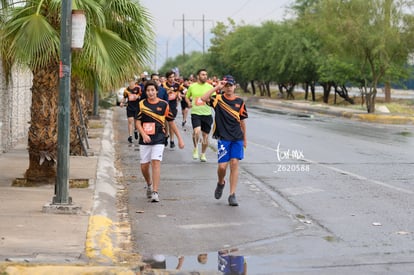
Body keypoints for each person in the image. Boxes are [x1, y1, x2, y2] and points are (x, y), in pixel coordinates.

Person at [201, 75, 248, 206]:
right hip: (223, 138)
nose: (228, 88)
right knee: (222, 167)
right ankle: (221, 182)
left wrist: (245, 138)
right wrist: (217, 87)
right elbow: (203, 98)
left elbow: (242, 120)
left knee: (234, 163)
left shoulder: (240, 101)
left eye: (230, 85)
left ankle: (232, 194)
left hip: (237, 138)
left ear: (234, 86)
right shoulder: (218, 99)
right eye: (226, 86)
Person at [135, 80, 184, 202]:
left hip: (159, 137)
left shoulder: (164, 105)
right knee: (144, 166)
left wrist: (179, 138)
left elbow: (171, 122)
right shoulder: (141, 104)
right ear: (145, 92)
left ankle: (155, 192)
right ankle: (149, 184)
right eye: (148, 91)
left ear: (157, 91)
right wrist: (143, 134)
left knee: (156, 162)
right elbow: (137, 122)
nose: (150, 93)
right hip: (145, 138)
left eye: (152, 90)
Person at [185, 69, 214, 162]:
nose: (205, 76)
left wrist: (209, 100)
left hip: (207, 113)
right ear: (198, 76)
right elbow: (186, 96)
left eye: (206, 74)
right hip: (196, 113)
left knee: (205, 136)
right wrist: (188, 102)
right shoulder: (192, 86)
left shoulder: (210, 87)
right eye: (203, 74)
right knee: (197, 131)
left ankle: (203, 154)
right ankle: (195, 148)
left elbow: (213, 97)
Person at [163, 70, 185, 149]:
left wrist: (179, 95)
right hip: (165, 105)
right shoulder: (163, 85)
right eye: (170, 77)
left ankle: (172, 141)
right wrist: (169, 91)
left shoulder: (177, 85)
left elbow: (182, 91)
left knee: (171, 123)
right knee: (165, 122)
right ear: (167, 78)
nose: (172, 79)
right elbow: (161, 94)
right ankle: (166, 135)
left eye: (173, 77)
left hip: (173, 105)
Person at [120, 79, 141, 143]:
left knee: (136, 122)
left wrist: (137, 96)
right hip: (130, 107)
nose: (131, 83)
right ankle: (130, 136)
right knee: (130, 121)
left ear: (134, 82)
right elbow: (124, 97)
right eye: (130, 82)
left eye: (132, 81)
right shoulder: (126, 90)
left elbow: (142, 95)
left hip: (137, 107)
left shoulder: (138, 88)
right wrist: (122, 103)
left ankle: (136, 130)